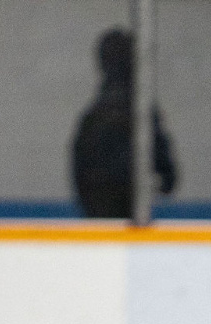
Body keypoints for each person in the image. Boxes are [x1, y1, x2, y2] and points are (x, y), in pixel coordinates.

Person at [71, 28, 177, 219]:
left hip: (103, 207)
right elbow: (162, 158)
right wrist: (166, 178)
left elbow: (79, 167)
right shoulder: (138, 111)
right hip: (125, 206)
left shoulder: (95, 115)